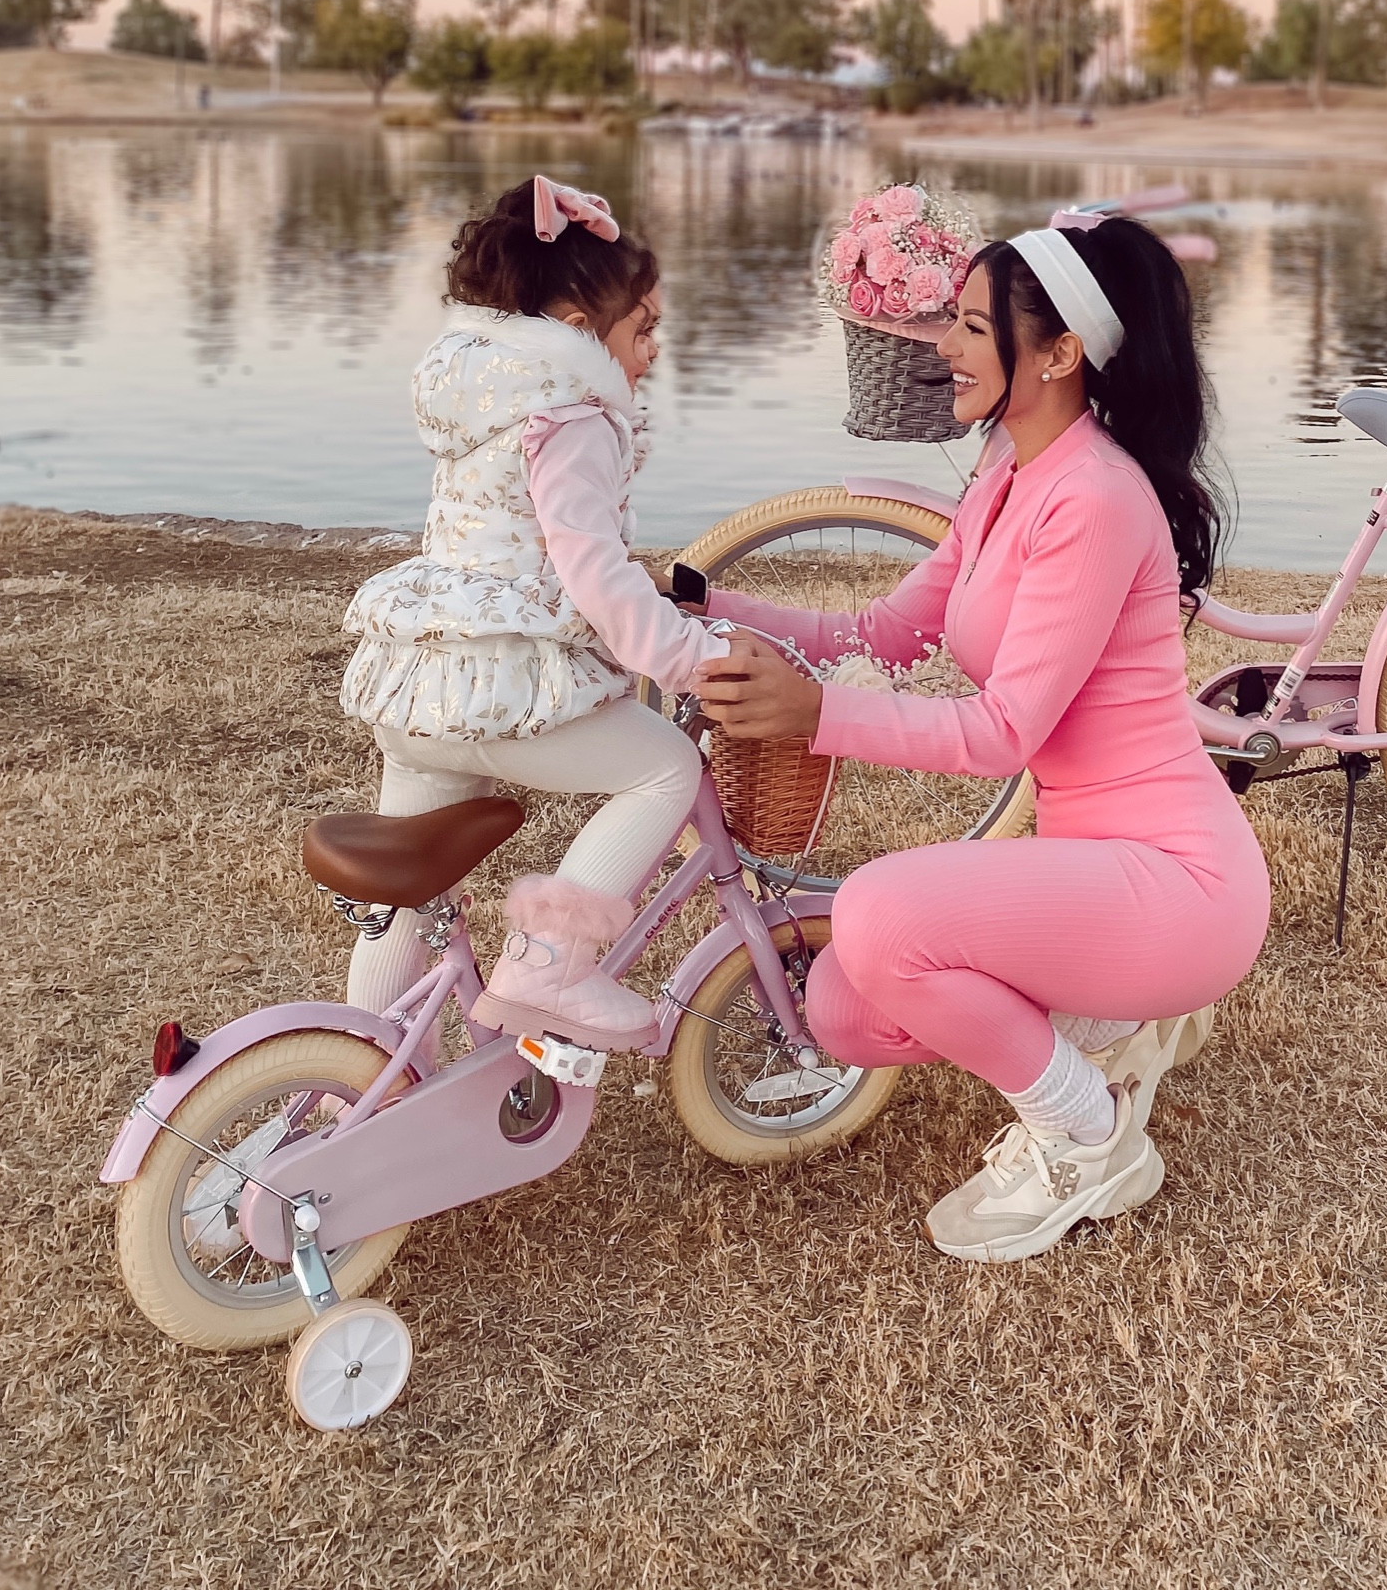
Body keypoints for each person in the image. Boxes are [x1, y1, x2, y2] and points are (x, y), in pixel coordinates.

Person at [692, 217, 1271, 1263]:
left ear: (1056, 353)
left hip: (1178, 882)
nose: (943, 348)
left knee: (872, 912)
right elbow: (881, 633)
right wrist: (699, 600)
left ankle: (1088, 1133)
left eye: (968, 326)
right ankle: (1110, 1029)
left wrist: (817, 713)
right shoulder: (1009, 467)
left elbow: (1004, 732)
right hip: (1088, 863)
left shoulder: (1094, 496)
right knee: (841, 1007)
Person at [337, 175, 727, 1050]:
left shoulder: (487, 399)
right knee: (665, 767)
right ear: (583, 332)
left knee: (407, 893)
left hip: (427, 688)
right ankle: (548, 969)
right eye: (645, 328)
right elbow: (590, 570)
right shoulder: (573, 416)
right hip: (504, 683)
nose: (654, 351)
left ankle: (364, 1071)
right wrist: (682, 658)